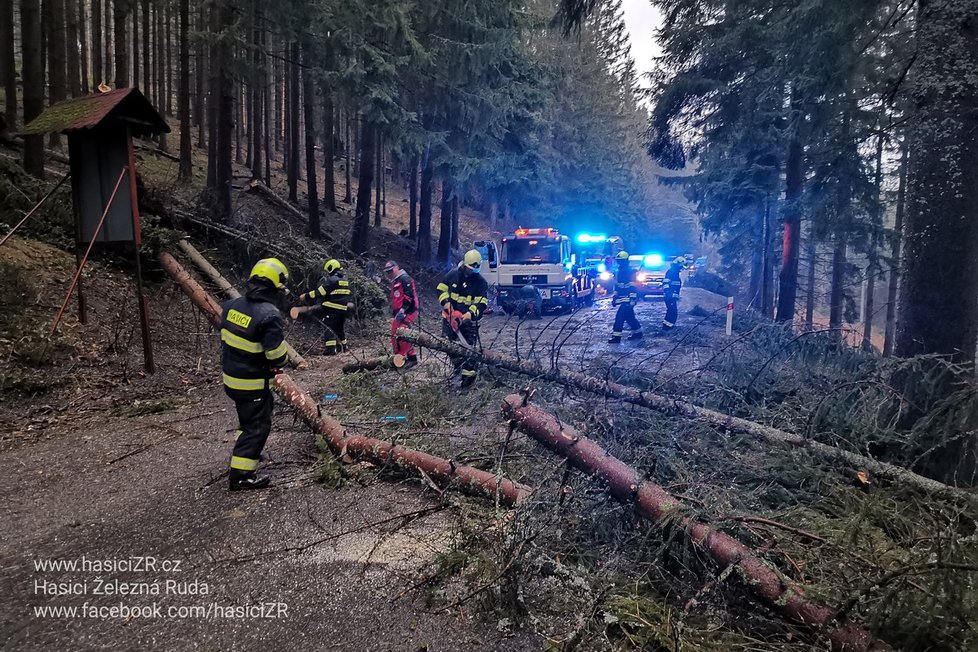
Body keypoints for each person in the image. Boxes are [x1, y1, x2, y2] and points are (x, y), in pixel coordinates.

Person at [220, 258, 290, 491]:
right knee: (257, 427)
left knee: (247, 420)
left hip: (231, 380)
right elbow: (277, 356)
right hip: (252, 383)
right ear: (274, 287)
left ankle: (246, 451)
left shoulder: (231, 306)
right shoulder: (269, 315)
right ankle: (241, 476)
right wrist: (284, 360)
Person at [437, 249, 489, 388]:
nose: (471, 272)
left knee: (469, 349)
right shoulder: (452, 275)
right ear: (464, 265)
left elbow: (481, 303)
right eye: (469, 269)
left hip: (468, 321)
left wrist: (470, 314)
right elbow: (441, 289)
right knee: (447, 345)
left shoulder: (480, 283)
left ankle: (468, 380)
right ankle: (458, 366)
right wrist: (446, 303)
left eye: (474, 270)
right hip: (449, 318)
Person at [298, 259, 352, 354]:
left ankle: (331, 350)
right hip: (343, 310)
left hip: (331, 309)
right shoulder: (345, 280)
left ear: (331, 268)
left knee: (329, 327)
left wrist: (306, 296)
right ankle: (343, 347)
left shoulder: (332, 280)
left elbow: (320, 292)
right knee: (339, 329)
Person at [385, 260, 419, 367]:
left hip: (408, 311)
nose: (390, 273)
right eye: (387, 272)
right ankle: (403, 357)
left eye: (391, 270)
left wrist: (403, 310)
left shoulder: (404, 278)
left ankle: (404, 358)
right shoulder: (396, 281)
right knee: (395, 334)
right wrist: (394, 313)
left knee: (402, 334)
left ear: (397, 267)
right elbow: (396, 299)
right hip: (400, 312)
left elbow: (409, 297)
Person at [608, 250, 642, 343]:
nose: (619, 262)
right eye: (618, 260)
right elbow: (618, 286)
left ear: (625, 261)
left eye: (621, 260)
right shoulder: (620, 271)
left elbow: (633, 286)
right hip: (623, 299)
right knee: (629, 317)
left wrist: (632, 299)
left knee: (620, 318)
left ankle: (616, 337)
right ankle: (638, 333)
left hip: (628, 300)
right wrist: (615, 297)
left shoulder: (629, 271)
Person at [661, 256, 685, 330]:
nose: (682, 268)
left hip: (671, 295)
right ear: (678, 264)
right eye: (681, 266)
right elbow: (665, 283)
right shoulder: (672, 271)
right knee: (673, 311)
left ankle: (666, 326)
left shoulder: (675, 271)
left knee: (671, 311)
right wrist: (668, 292)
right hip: (670, 295)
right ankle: (668, 327)